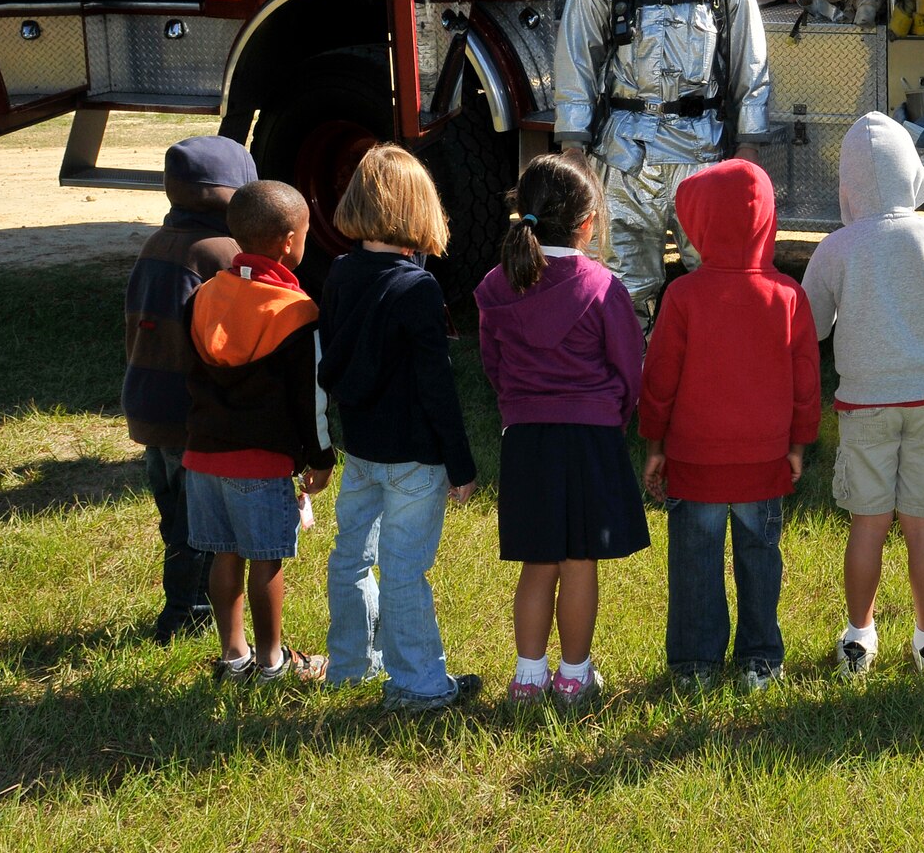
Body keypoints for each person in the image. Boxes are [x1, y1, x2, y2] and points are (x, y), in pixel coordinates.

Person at [552, 0, 775, 327]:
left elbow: (751, 68)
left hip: (705, 162)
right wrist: (573, 148)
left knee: (722, 281)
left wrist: (749, 148)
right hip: (625, 161)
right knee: (622, 291)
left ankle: (711, 386)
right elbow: (576, 64)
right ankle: (631, 390)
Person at [802, 112, 924, 676]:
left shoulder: (834, 248)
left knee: (868, 524)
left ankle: (859, 637)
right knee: (923, 525)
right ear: (912, 172)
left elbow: (809, 327)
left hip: (863, 408)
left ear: (848, 184)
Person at [637, 160, 821, 691]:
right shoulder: (787, 295)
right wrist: (799, 445)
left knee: (695, 561)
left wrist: (655, 444)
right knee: (760, 560)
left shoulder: (683, 296)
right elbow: (806, 380)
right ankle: (760, 658)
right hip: (764, 462)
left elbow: (660, 380)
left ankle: (695, 664)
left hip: (695, 462)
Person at [475, 154, 650, 707]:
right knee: (579, 562)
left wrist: (518, 411)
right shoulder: (602, 286)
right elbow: (629, 369)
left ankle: (528, 678)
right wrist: (614, 422)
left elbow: (493, 365)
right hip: (591, 438)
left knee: (537, 561)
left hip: (527, 439)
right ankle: (574, 676)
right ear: (588, 221)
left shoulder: (494, 287)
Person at [319, 145, 482, 711]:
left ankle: (350, 666)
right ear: (421, 209)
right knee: (406, 569)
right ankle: (418, 684)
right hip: (414, 458)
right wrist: (461, 465)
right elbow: (436, 388)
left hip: (359, 449)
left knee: (351, 555)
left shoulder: (339, 273)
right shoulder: (418, 289)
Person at [184, 180, 334, 684]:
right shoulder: (297, 312)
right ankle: (272, 662)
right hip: (261, 463)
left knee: (223, 555)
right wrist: (320, 457)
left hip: (203, 457)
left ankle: (234, 657)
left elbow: (191, 376)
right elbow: (311, 399)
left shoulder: (203, 296)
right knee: (266, 563)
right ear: (291, 241)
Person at [121, 135, 257, 644]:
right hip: (190, 410)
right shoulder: (222, 253)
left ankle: (188, 602)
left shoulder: (157, 243)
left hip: (148, 402)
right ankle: (184, 615)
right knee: (197, 525)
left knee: (173, 514)